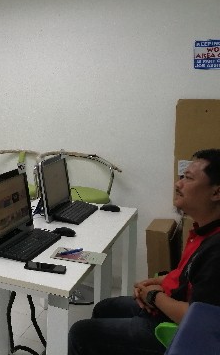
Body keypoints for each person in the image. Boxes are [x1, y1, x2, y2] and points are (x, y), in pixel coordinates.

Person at [68, 149, 220, 355]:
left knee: (80, 334)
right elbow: (189, 276)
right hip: (169, 307)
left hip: (175, 332)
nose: (178, 184)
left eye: (189, 178)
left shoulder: (216, 251)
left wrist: (154, 296)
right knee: (104, 307)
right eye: (182, 177)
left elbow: (198, 320)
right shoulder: (204, 231)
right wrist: (154, 283)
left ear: (216, 193)